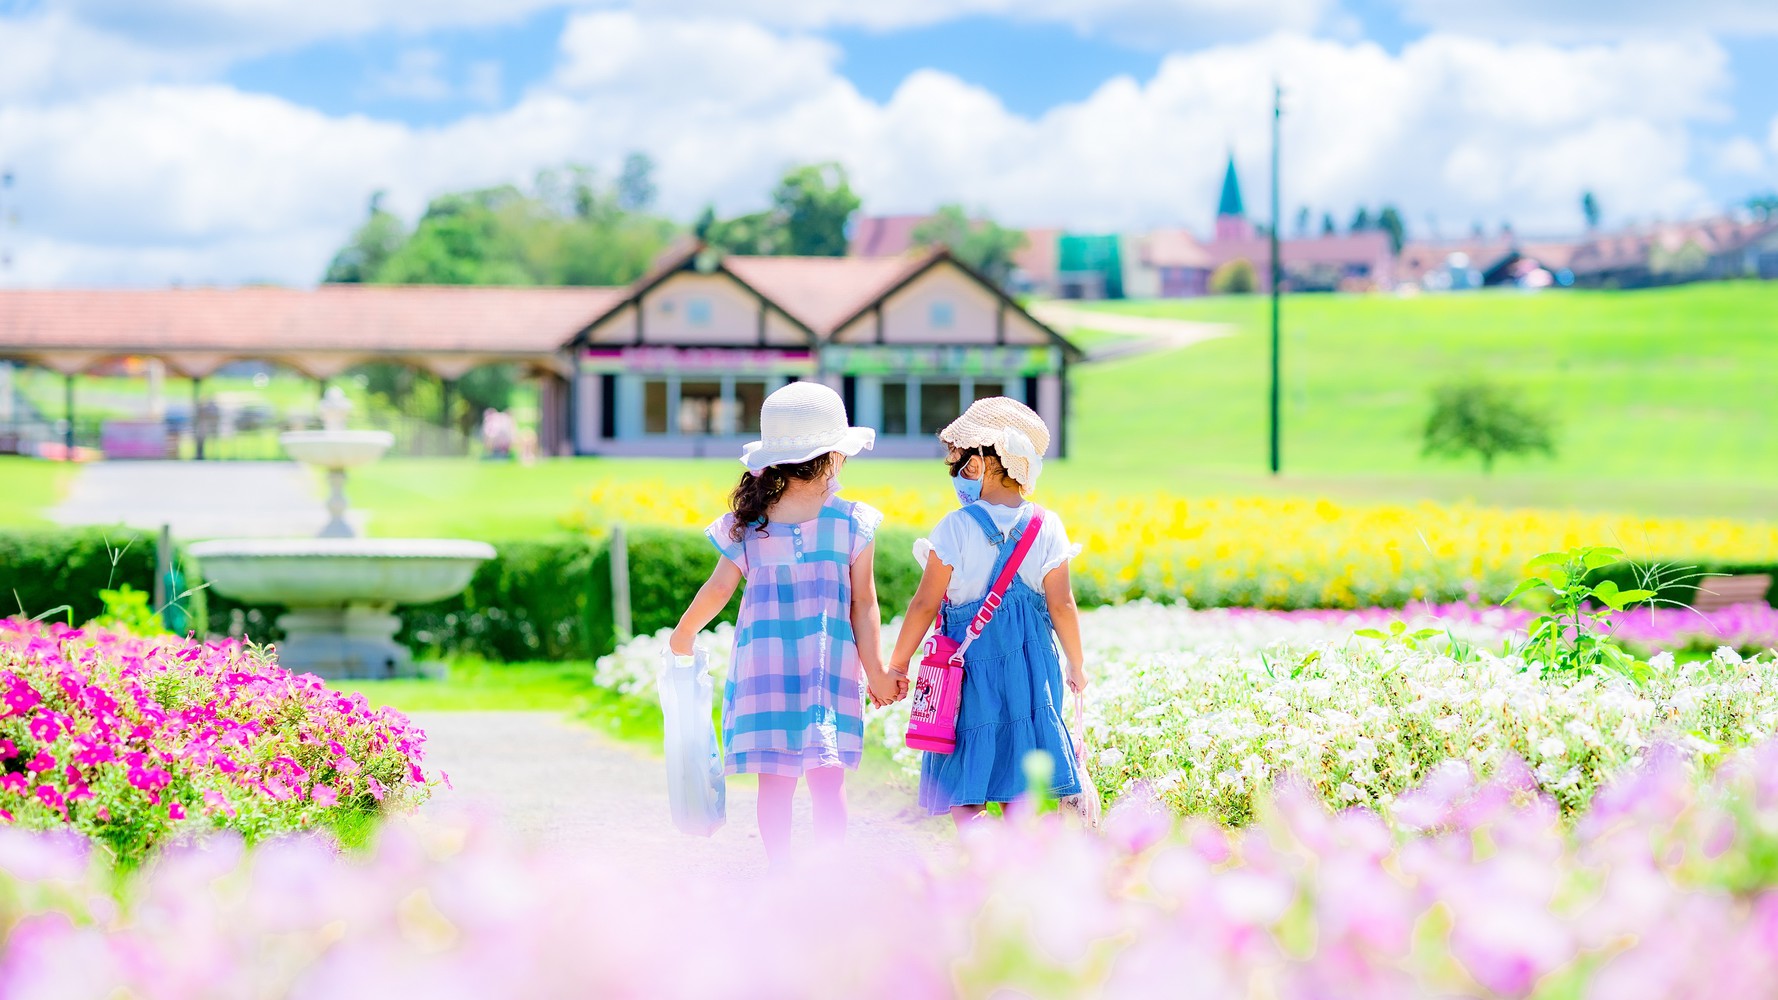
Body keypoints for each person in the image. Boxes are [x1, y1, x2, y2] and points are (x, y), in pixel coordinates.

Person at [670, 382, 904, 866]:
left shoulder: (750, 523)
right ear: (835, 456)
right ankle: (827, 874)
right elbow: (864, 605)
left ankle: (780, 872)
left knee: (773, 784)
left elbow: (718, 590)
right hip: (830, 671)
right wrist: (877, 670)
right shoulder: (852, 522)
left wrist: (684, 633)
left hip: (764, 673)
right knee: (828, 779)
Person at [887, 397, 1086, 827]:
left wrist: (898, 663)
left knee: (965, 788)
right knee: (1022, 784)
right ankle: (1017, 870)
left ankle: (986, 854)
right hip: (1032, 669)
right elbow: (1062, 605)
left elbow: (924, 604)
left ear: (982, 460)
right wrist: (1077, 662)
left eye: (958, 462)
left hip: (968, 672)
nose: (955, 474)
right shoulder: (1047, 525)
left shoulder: (956, 527)